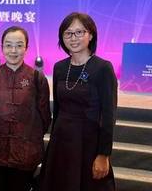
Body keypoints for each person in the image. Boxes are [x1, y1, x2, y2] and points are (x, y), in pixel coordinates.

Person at [39, 12, 117, 191]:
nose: (73, 38)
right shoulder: (59, 67)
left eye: (79, 32)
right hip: (61, 142)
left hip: (88, 144)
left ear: (90, 35)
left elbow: (108, 116)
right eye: (68, 33)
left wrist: (103, 154)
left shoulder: (103, 68)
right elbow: (57, 110)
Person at [0, 26, 51, 191]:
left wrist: (28, 137)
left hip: (25, 152)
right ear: (2, 47)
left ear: (26, 48)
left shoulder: (36, 78)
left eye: (19, 45)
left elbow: (45, 116)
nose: (14, 50)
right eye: (8, 45)